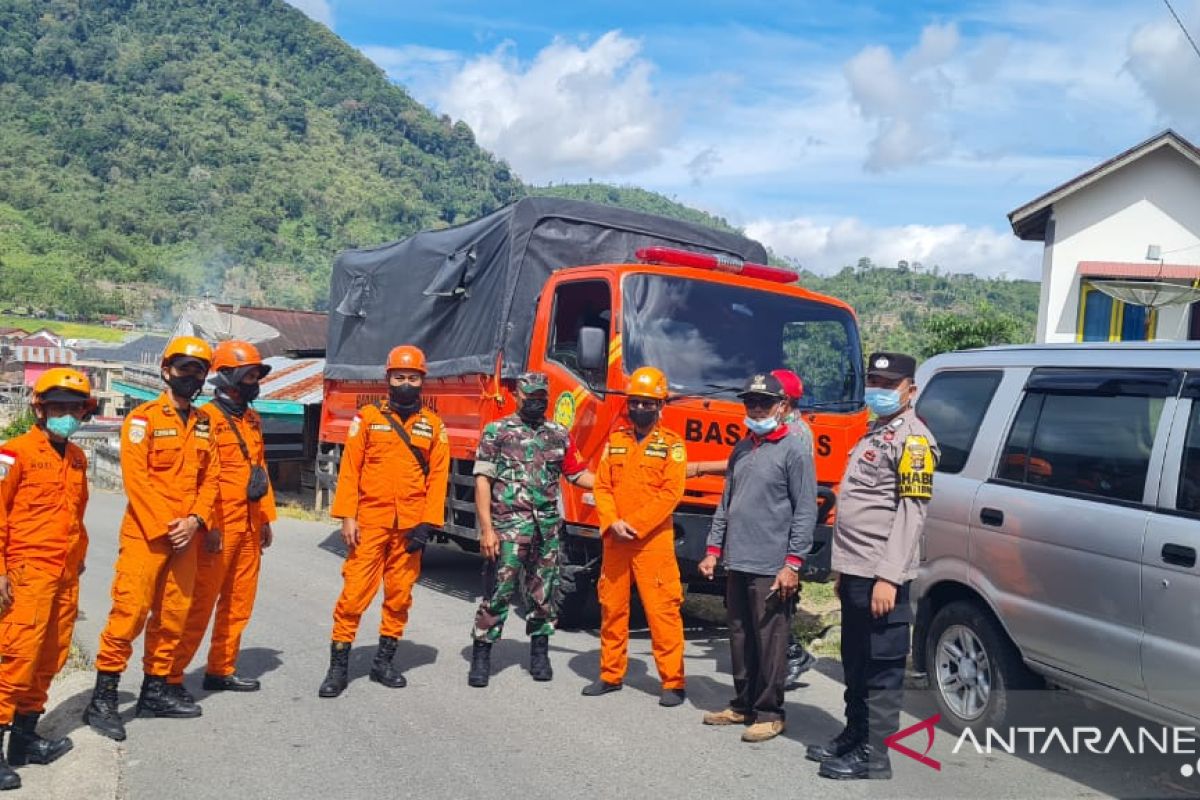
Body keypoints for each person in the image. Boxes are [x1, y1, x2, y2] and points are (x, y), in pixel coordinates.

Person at [808, 352, 938, 780]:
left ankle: (874, 755)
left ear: (910, 391)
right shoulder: (874, 433)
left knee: (882, 667)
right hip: (857, 569)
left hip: (883, 574)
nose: (879, 390)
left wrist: (888, 576)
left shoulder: (913, 441)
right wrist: (843, 568)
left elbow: (911, 514)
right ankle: (855, 734)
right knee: (857, 659)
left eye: (889, 384)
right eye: (875, 382)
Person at [86, 337, 219, 741]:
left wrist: (195, 520)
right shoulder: (142, 420)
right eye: (184, 368)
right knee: (131, 613)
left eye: (199, 370)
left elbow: (210, 479)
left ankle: (155, 692)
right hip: (148, 536)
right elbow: (137, 481)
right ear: (166, 371)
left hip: (187, 537)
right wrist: (171, 526)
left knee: (174, 615)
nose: (191, 376)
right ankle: (104, 699)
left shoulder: (204, 423)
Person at [319, 345, 449, 698]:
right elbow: (350, 470)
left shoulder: (434, 426)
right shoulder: (368, 418)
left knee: (399, 596)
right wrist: (347, 516)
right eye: (399, 377)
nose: (405, 384)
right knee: (353, 595)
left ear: (422, 382)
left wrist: (428, 524)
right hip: (370, 523)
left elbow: (439, 478)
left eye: (412, 378)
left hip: (410, 527)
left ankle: (384, 663)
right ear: (387, 379)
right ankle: (338, 668)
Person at [698, 373, 817, 743]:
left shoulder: (794, 449)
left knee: (770, 641)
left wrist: (792, 563)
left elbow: (805, 512)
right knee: (739, 636)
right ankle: (743, 704)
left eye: (764, 403)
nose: (756, 409)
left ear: (782, 406)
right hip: (737, 560)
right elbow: (726, 504)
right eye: (750, 403)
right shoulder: (742, 448)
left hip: (772, 566)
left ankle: (770, 712)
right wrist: (713, 550)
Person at [0, 369, 96, 788]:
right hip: (26, 575)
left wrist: (79, 558)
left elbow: (77, 516)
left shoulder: (77, 458)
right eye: (59, 406)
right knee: (14, 658)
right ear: (39, 408)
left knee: (50, 657)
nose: (68, 414)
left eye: (75, 408)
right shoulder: (12, 453)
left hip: (65, 575)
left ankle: (24, 741)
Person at [168, 341, 276, 697]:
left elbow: (259, 470)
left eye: (257, 375)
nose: (254, 381)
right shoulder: (206, 420)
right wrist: (208, 524)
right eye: (248, 375)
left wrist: (265, 519)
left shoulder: (252, 419)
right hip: (217, 527)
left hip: (248, 523)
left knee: (238, 602)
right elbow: (200, 477)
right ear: (227, 377)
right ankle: (170, 677)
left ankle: (221, 669)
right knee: (200, 603)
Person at [582, 367, 688, 707]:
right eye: (635, 402)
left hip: (652, 542)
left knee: (662, 612)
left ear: (660, 407)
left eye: (647, 403)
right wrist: (612, 522)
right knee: (612, 608)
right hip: (616, 540)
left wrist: (635, 525)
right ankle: (610, 674)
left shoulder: (672, 446)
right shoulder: (616, 442)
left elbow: (671, 494)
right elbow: (602, 486)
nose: (640, 409)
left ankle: (672, 682)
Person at [468, 372, 569, 687]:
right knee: (499, 591)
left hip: (547, 530)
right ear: (518, 396)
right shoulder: (497, 431)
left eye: (542, 398)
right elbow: (483, 480)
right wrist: (487, 529)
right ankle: (482, 655)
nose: (537, 403)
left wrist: (618, 484)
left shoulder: (559, 434)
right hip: (509, 526)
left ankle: (540, 655)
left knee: (544, 594)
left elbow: (578, 474)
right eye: (531, 397)